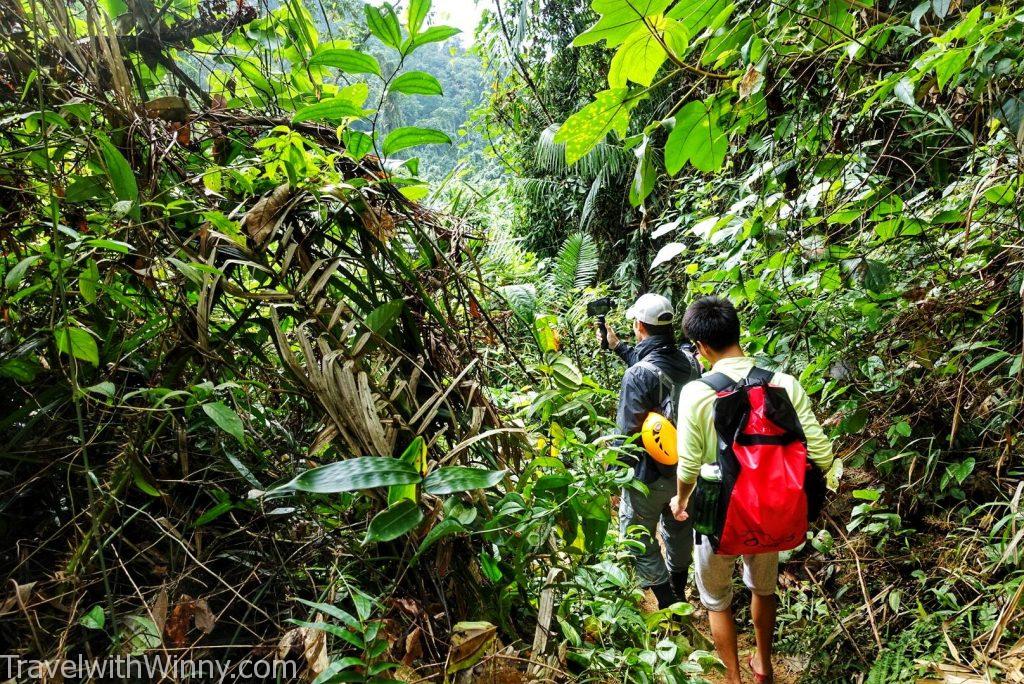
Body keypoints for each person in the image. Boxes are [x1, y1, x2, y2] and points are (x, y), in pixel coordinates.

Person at [669, 296, 834, 684]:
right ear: (738, 332)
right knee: (763, 588)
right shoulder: (784, 384)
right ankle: (763, 665)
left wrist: (681, 500)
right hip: (773, 512)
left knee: (717, 602)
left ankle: (732, 678)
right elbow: (822, 456)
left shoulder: (696, 393)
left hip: (718, 516)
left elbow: (689, 465)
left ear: (702, 347)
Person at [600, 293, 700, 609]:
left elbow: (627, 434)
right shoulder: (690, 360)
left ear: (639, 326)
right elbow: (658, 370)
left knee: (637, 535)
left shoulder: (638, 375)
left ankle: (669, 604)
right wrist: (619, 348)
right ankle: (679, 590)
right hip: (688, 470)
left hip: (649, 476)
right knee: (679, 528)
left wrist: (619, 476)